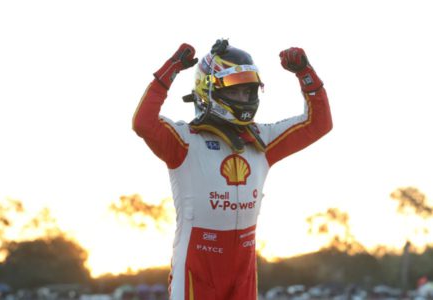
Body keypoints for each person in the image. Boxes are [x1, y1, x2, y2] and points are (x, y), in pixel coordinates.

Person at [132, 39, 332, 300]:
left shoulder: (263, 140)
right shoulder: (185, 141)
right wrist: (170, 70)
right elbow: (143, 123)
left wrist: (306, 74)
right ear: (209, 89)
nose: (243, 98)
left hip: (243, 271)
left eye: (248, 91)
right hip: (197, 270)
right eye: (235, 90)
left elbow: (320, 124)